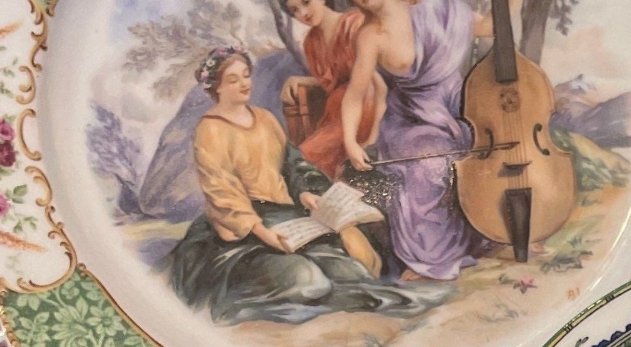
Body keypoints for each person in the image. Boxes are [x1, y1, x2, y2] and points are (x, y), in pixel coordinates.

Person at [169, 47, 435, 326]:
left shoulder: (264, 118)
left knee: (349, 272)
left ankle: (367, 299)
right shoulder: (210, 129)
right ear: (216, 88)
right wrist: (264, 233)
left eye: (246, 75)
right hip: (244, 228)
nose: (244, 83)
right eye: (233, 80)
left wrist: (303, 192)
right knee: (305, 280)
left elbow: (290, 162)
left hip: (286, 215)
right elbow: (221, 189)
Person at [339, 0, 510, 280]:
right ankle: (432, 257)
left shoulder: (437, 9)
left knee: (492, 149)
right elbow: (355, 94)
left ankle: (491, 233)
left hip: (458, 105)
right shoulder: (369, 36)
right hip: (411, 119)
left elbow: (490, 26)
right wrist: (350, 141)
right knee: (429, 164)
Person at [276, 0, 382, 179]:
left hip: (365, 104)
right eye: (295, 10)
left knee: (306, 159)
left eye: (306, 2)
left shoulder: (354, 23)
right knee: (305, 163)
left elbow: (375, 79)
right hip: (335, 112)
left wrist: (373, 131)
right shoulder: (311, 42)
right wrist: (299, 80)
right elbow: (330, 82)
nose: (303, 13)